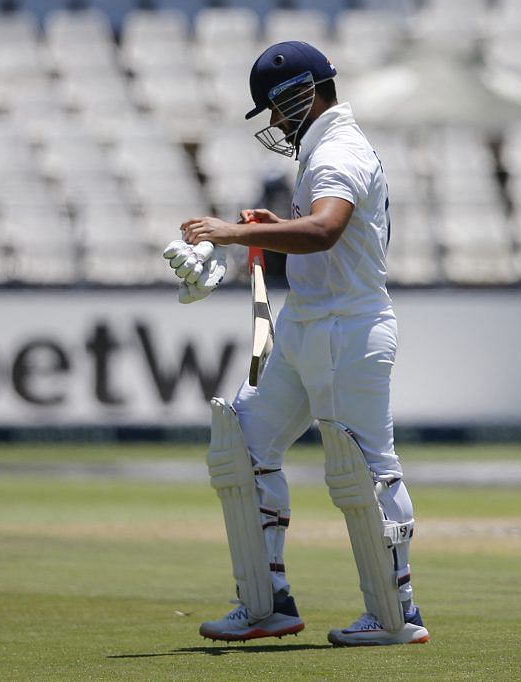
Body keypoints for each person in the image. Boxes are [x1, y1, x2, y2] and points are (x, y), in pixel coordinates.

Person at [170, 41, 428, 647]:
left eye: (277, 111)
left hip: (350, 328)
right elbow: (310, 229)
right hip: (306, 322)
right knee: (241, 444)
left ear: (298, 95)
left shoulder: (338, 149)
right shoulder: (324, 148)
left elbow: (326, 229)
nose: (276, 125)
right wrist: (266, 228)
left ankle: (397, 616)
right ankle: (266, 604)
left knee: (363, 472)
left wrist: (234, 234)